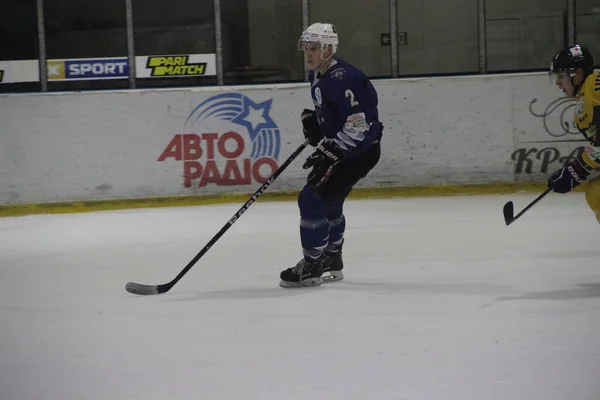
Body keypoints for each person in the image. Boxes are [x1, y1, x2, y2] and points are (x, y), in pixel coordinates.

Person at [279, 22, 384, 288]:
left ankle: (312, 264)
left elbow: (360, 123)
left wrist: (333, 148)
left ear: (328, 49)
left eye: (314, 48)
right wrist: (318, 124)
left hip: (357, 151)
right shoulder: (319, 74)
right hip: (352, 150)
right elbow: (339, 115)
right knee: (331, 202)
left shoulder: (344, 77)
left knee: (311, 198)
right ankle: (331, 259)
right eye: (306, 48)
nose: (309, 53)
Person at [547, 45, 600, 223]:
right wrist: (574, 171)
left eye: (561, 76)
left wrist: (576, 171)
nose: (557, 83)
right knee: (596, 192)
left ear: (576, 74)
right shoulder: (584, 102)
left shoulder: (596, 87)